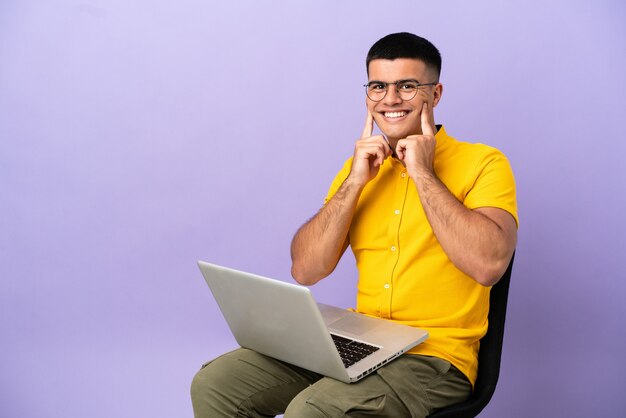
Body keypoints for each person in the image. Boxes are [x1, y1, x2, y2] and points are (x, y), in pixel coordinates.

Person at [191, 32, 518, 418]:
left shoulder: (484, 163)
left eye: (407, 86)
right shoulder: (359, 169)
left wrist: (422, 173)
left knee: (312, 411)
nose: (390, 99)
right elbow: (306, 269)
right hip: (360, 341)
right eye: (378, 86)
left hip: (434, 358)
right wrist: (354, 182)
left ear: (436, 93)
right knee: (216, 385)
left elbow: (488, 264)